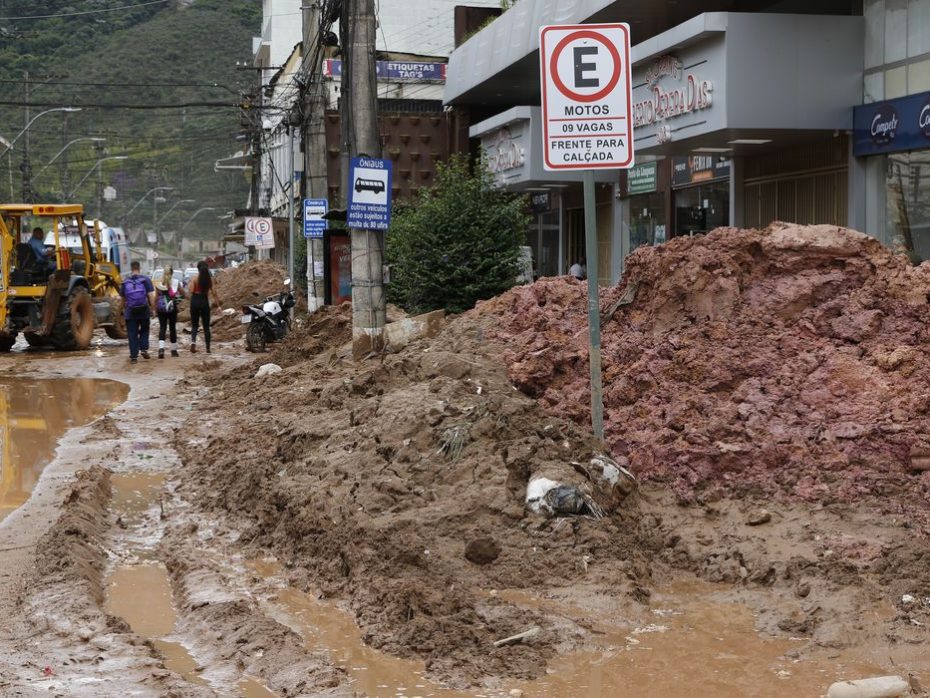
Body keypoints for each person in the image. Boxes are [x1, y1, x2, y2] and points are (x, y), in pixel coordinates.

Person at [119, 261, 156, 364]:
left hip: (130, 312)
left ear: (131, 269)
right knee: (144, 330)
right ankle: (144, 349)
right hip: (144, 311)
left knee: (132, 333)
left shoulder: (125, 281)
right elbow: (151, 296)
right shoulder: (146, 280)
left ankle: (134, 357)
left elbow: (122, 300)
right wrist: (153, 309)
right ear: (139, 268)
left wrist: (120, 313)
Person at [188, 260, 221, 354]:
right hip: (204, 301)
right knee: (206, 326)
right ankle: (207, 348)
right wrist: (218, 306)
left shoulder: (194, 278)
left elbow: (191, 290)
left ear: (198, 269)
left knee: (194, 325)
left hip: (195, 301)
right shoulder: (209, 279)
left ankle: (193, 342)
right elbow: (214, 293)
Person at [154, 266, 183, 358]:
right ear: (172, 273)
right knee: (172, 328)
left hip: (161, 308)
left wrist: (154, 308)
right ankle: (173, 350)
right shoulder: (176, 282)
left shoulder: (159, 283)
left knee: (162, 327)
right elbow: (183, 294)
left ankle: (161, 349)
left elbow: (156, 297)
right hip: (172, 307)